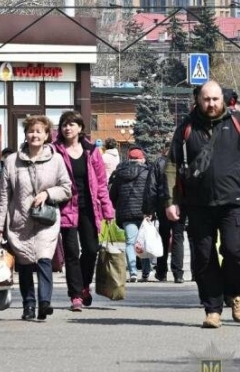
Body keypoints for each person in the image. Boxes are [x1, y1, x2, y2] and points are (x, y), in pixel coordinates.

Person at [165, 80, 240, 329]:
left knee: (233, 251)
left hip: (233, 201)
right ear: (199, 100)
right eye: (206, 99)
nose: (211, 104)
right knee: (204, 259)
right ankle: (213, 309)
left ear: (222, 99)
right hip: (198, 204)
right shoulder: (186, 127)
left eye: (215, 99)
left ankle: (236, 294)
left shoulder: (238, 123)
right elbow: (172, 164)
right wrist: (171, 201)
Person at [0, 116, 71, 321]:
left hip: (46, 220)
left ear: (47, 135)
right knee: (25, 263)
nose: (34, 135)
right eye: (31, 131)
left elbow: (66, 188)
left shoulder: (56, 160)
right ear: (25, 134)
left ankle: (44, 302)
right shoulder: (11, 161)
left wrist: (47, 194)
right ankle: (28, 305)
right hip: (20, 220)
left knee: (44, 258)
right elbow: (3, 196)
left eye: (39, 131)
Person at [53, 111, 115, 311]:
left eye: (72, 124)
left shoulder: (91, 150)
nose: (68, 128)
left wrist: (107, 208)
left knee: (91, 249)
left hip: (89, 208)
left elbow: (101, 182)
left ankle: (84, 285)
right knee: (71, 252)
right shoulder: (55, 150)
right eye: (64, 124)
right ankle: (75, 295)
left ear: (80, 128)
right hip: (66, 208)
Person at [109, 146, 152, 282]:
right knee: (144, 242)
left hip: (126, 212)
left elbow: (112, 194)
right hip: (144, 213)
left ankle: (133, 272)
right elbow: (151, 192)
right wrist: (151, 210)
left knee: (130, 242)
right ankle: (145, 272)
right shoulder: (147, 172)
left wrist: (118, 206)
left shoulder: (119, 173)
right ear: (141, 159)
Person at [143, 147, 185, 283]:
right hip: (181, 204)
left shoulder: (158, 163)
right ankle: (178, 273)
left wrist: (148, 209)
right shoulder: (183, 162)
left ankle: (161, 272)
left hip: (163, 205)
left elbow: (151, 187)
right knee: (178, 237)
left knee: (163, 237)